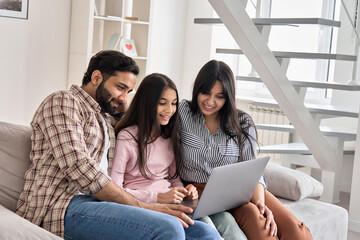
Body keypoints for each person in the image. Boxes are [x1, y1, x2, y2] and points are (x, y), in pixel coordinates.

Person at [15, 50, 220, 240]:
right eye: (120, 88)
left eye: (128, 91)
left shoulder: (107, 118)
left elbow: (144, 125)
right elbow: (79, 168)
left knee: (205, 233)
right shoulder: (63, 102)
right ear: (96, 78)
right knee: (169, 228)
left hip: (102, 204)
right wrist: (146, 206)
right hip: (62, 204)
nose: (123, 97)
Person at [178, 59, 313, 240]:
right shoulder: (182, 112)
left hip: (239, 189)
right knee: (259, 226)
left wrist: (260, 203)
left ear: (228, 97)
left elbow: (253, 169)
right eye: (205, 93)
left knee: (294, 229)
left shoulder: (242, 122)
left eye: (219, 96)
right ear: (197, 89)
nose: (210, 101)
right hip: (199, 191)